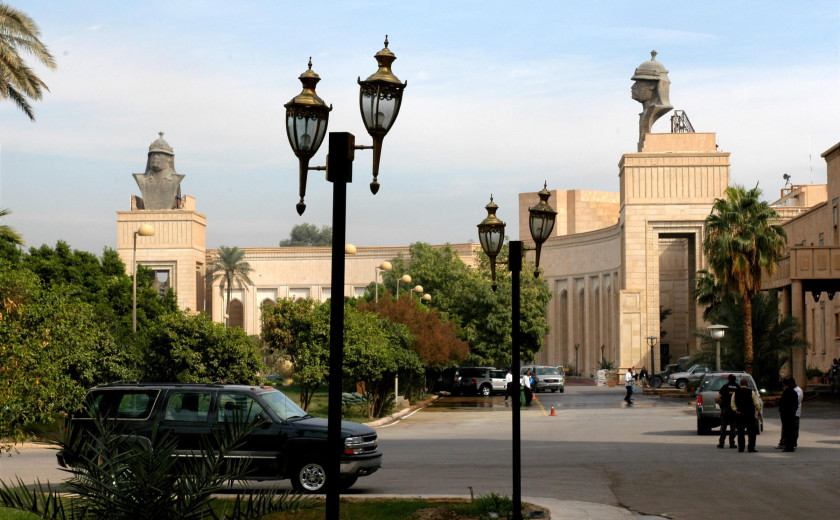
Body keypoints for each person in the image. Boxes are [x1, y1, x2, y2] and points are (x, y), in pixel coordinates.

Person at [630, 50, 673, 152]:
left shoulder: (651, 113)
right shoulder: (644, 115)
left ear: (652, 85)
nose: (633, 87)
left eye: (639, 83)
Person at [133, 132, 185, 210]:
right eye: (153, 154)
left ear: (169, 158)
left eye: (159, 154)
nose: (155, 157)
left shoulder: (175, 179)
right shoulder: (141, 179)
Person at [731, 377, 762, 452]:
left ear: (740, 384)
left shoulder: (736, 392)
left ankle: (741, 448)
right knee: (751, 432)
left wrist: (736, 410)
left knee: (740, 432)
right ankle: (751, 447)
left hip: (740, 414)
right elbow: (756, 403)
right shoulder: (751, 392)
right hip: (749, 414)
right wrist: (759, 411)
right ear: (747, 384)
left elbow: (732, 403)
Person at [716, 374, 739, 449]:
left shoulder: (725, 387)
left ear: (728, 379)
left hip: (725, 409)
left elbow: (718, 398)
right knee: (733, 427)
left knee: (723, 426)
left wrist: (721, 405)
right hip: (733, 410)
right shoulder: (737, 387)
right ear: (735, 379)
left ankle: (721, 443)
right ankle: (732, 443)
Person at [778, 377, 799, 452]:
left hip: (786, 415)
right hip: (792, 414)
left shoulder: (786, 392)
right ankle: (791, 446)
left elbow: (782, 404)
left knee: (787, 431)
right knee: (791, 431)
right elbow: (796, 405)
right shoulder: (794, 392)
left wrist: (782, 411)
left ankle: (788, 446)